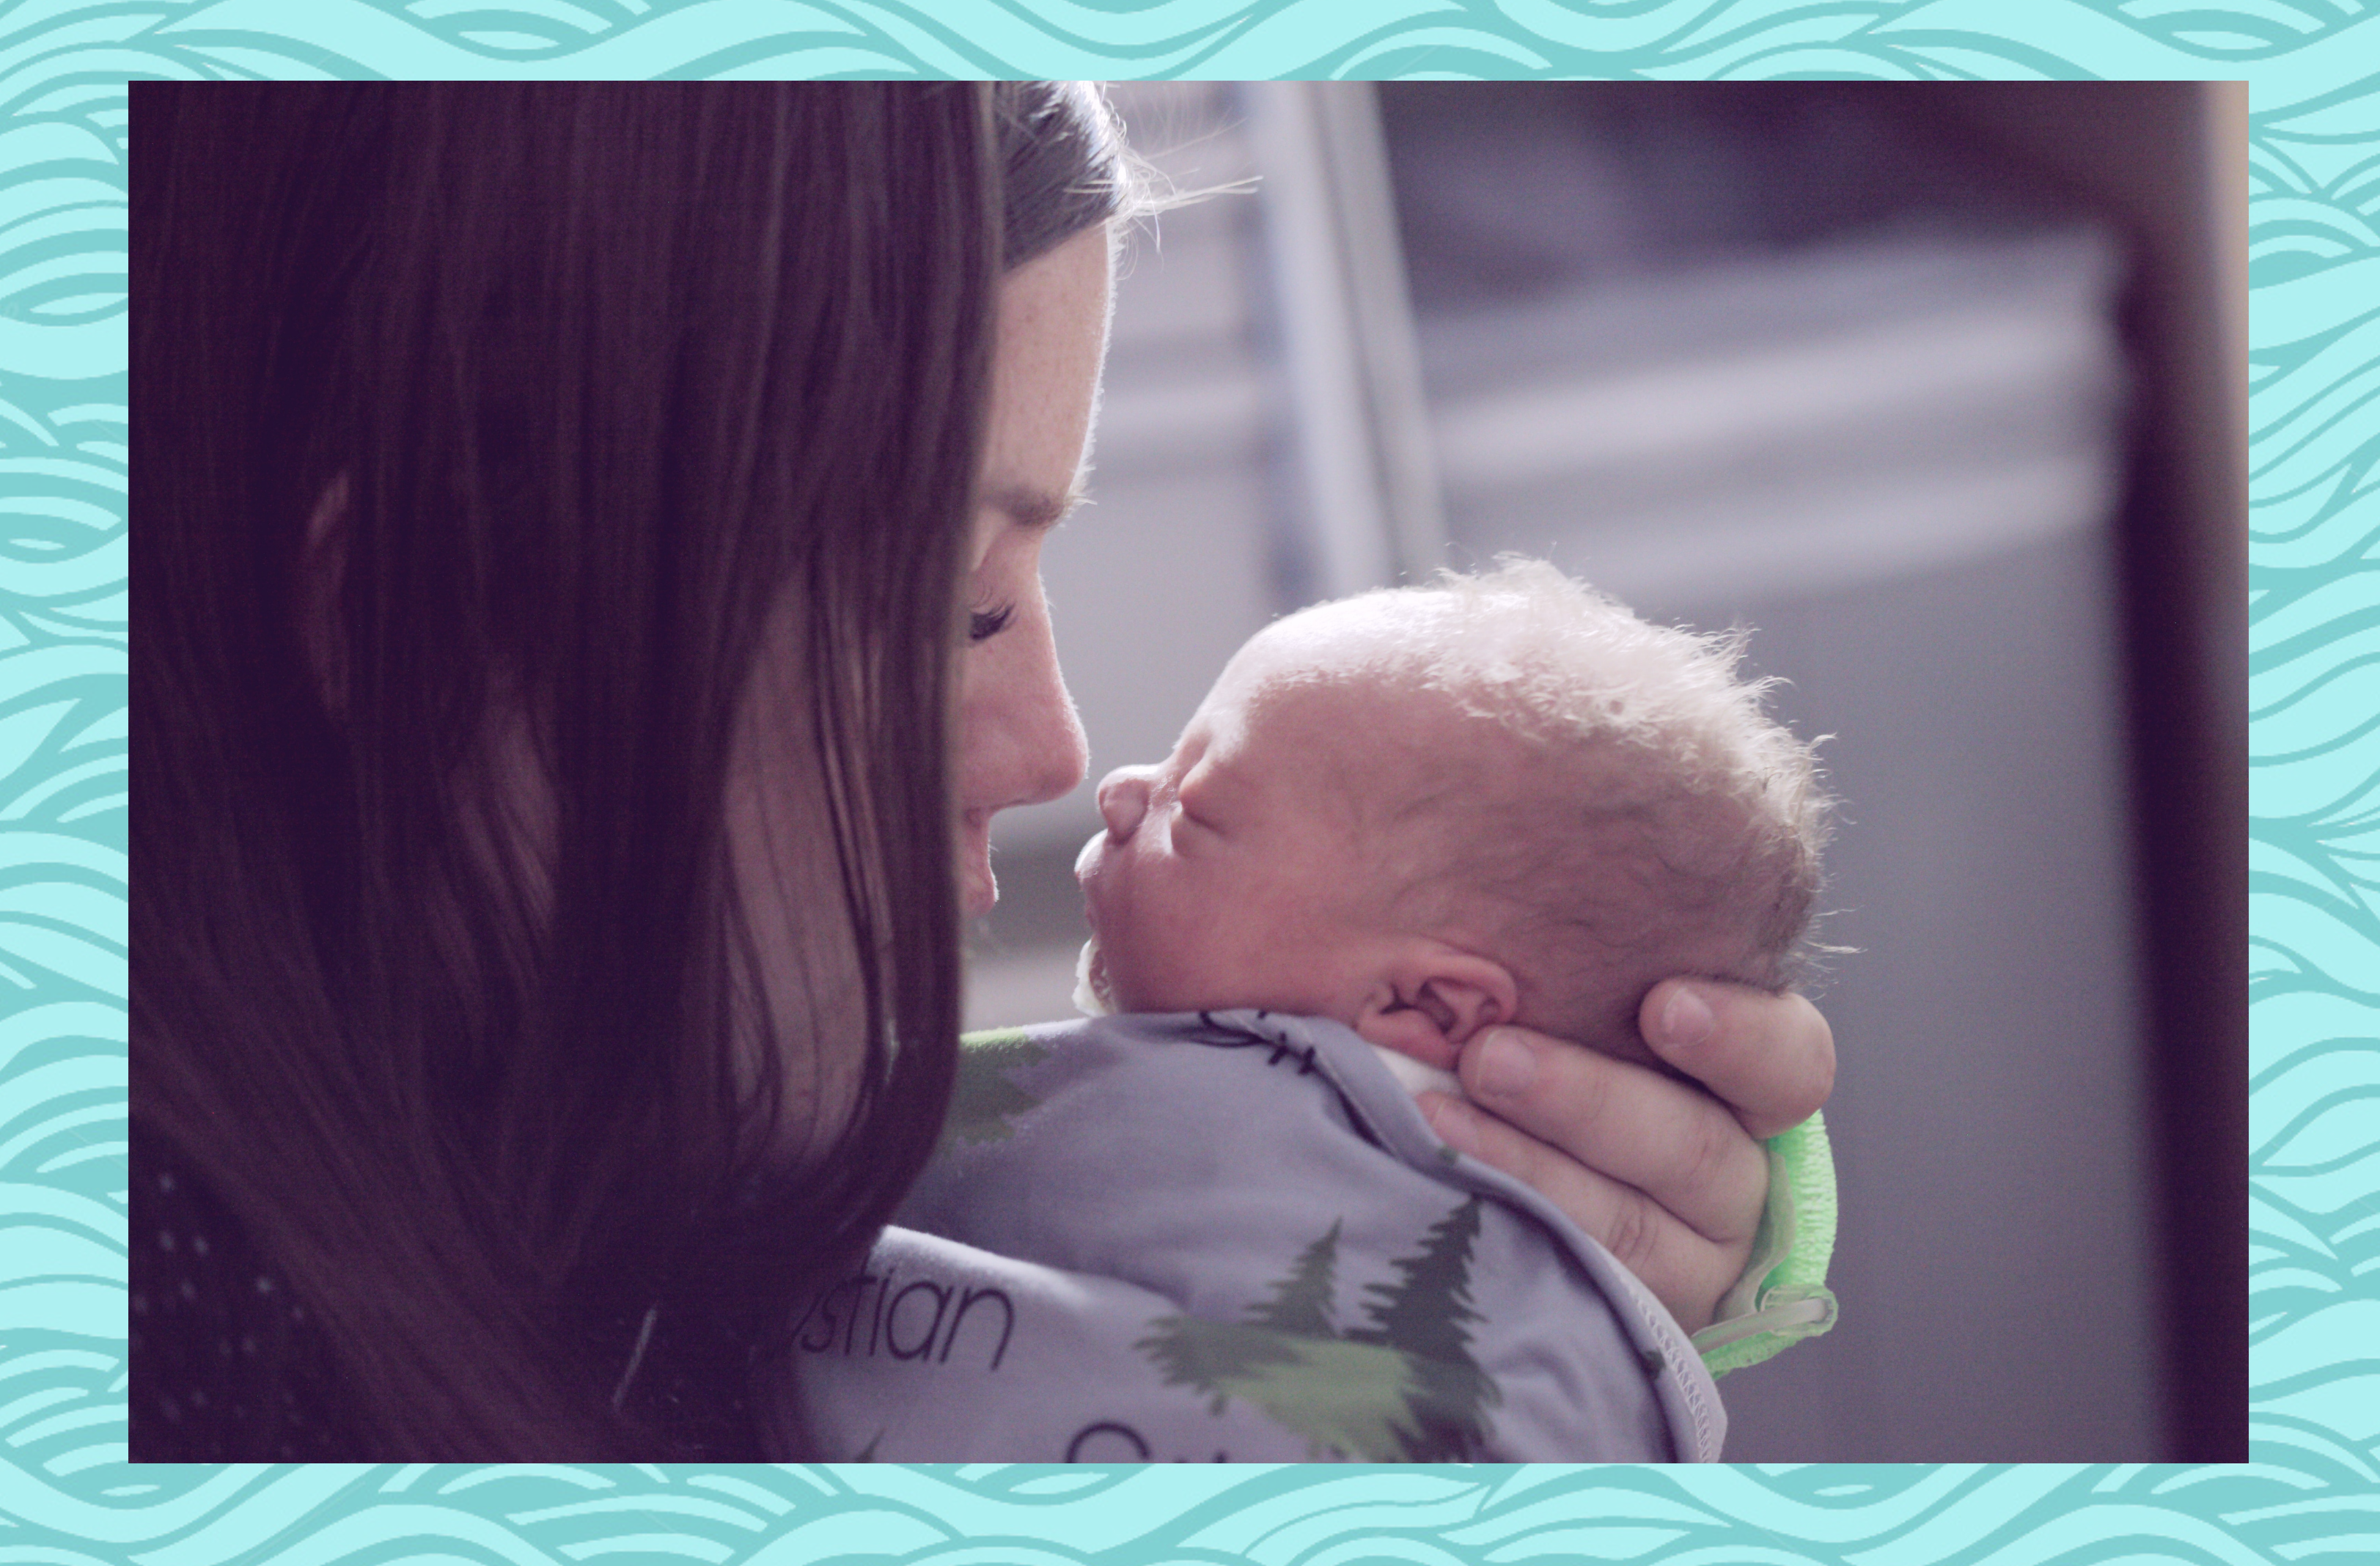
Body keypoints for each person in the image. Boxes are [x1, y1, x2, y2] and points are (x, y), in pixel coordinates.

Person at [130, 81, 1834, 1460]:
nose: (1062, 750)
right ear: (422, 611)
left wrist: (1609, 1215)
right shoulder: (188, 1366)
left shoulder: (604, 1138)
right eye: (960, 606)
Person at [782, 562, 1835, 1460]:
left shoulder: (1546, 1275)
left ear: (1424, 1004)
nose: (1113, 785)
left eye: (1195, 809)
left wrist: (1770, 1236)